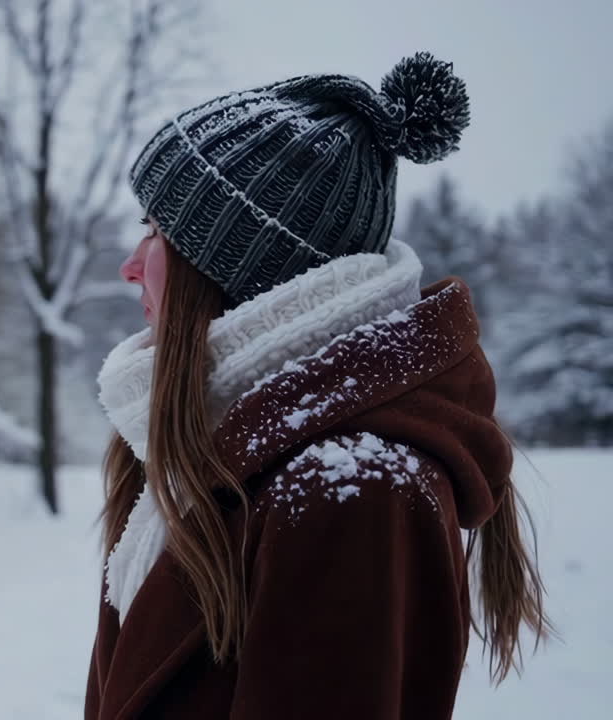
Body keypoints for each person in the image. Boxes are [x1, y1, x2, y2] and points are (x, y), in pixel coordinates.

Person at [87, 52, 551, 720]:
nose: (131, 267)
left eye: (159, 233)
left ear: (241, 269)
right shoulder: (212, 453)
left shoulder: (351, 488)